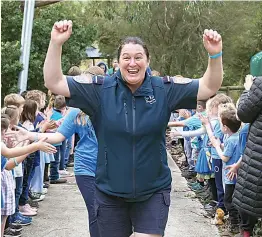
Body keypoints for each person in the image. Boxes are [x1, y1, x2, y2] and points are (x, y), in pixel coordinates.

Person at [43, 19, 223, 237]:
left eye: (138, 57)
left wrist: (215, 55)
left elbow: (208, 87)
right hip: (110, 193)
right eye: (126, 57)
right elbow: (54, 82)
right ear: (118, 63)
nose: (132, 63)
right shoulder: (100, 90)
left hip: (153, 190)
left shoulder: (164, 89)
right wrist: (56, 43)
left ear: (147, 60)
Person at [229, 58, 262, 237]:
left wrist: (249, 89)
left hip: (258, 156)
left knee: (249, 202)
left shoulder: (260, 84)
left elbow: (243, 113)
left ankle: (246, 232)